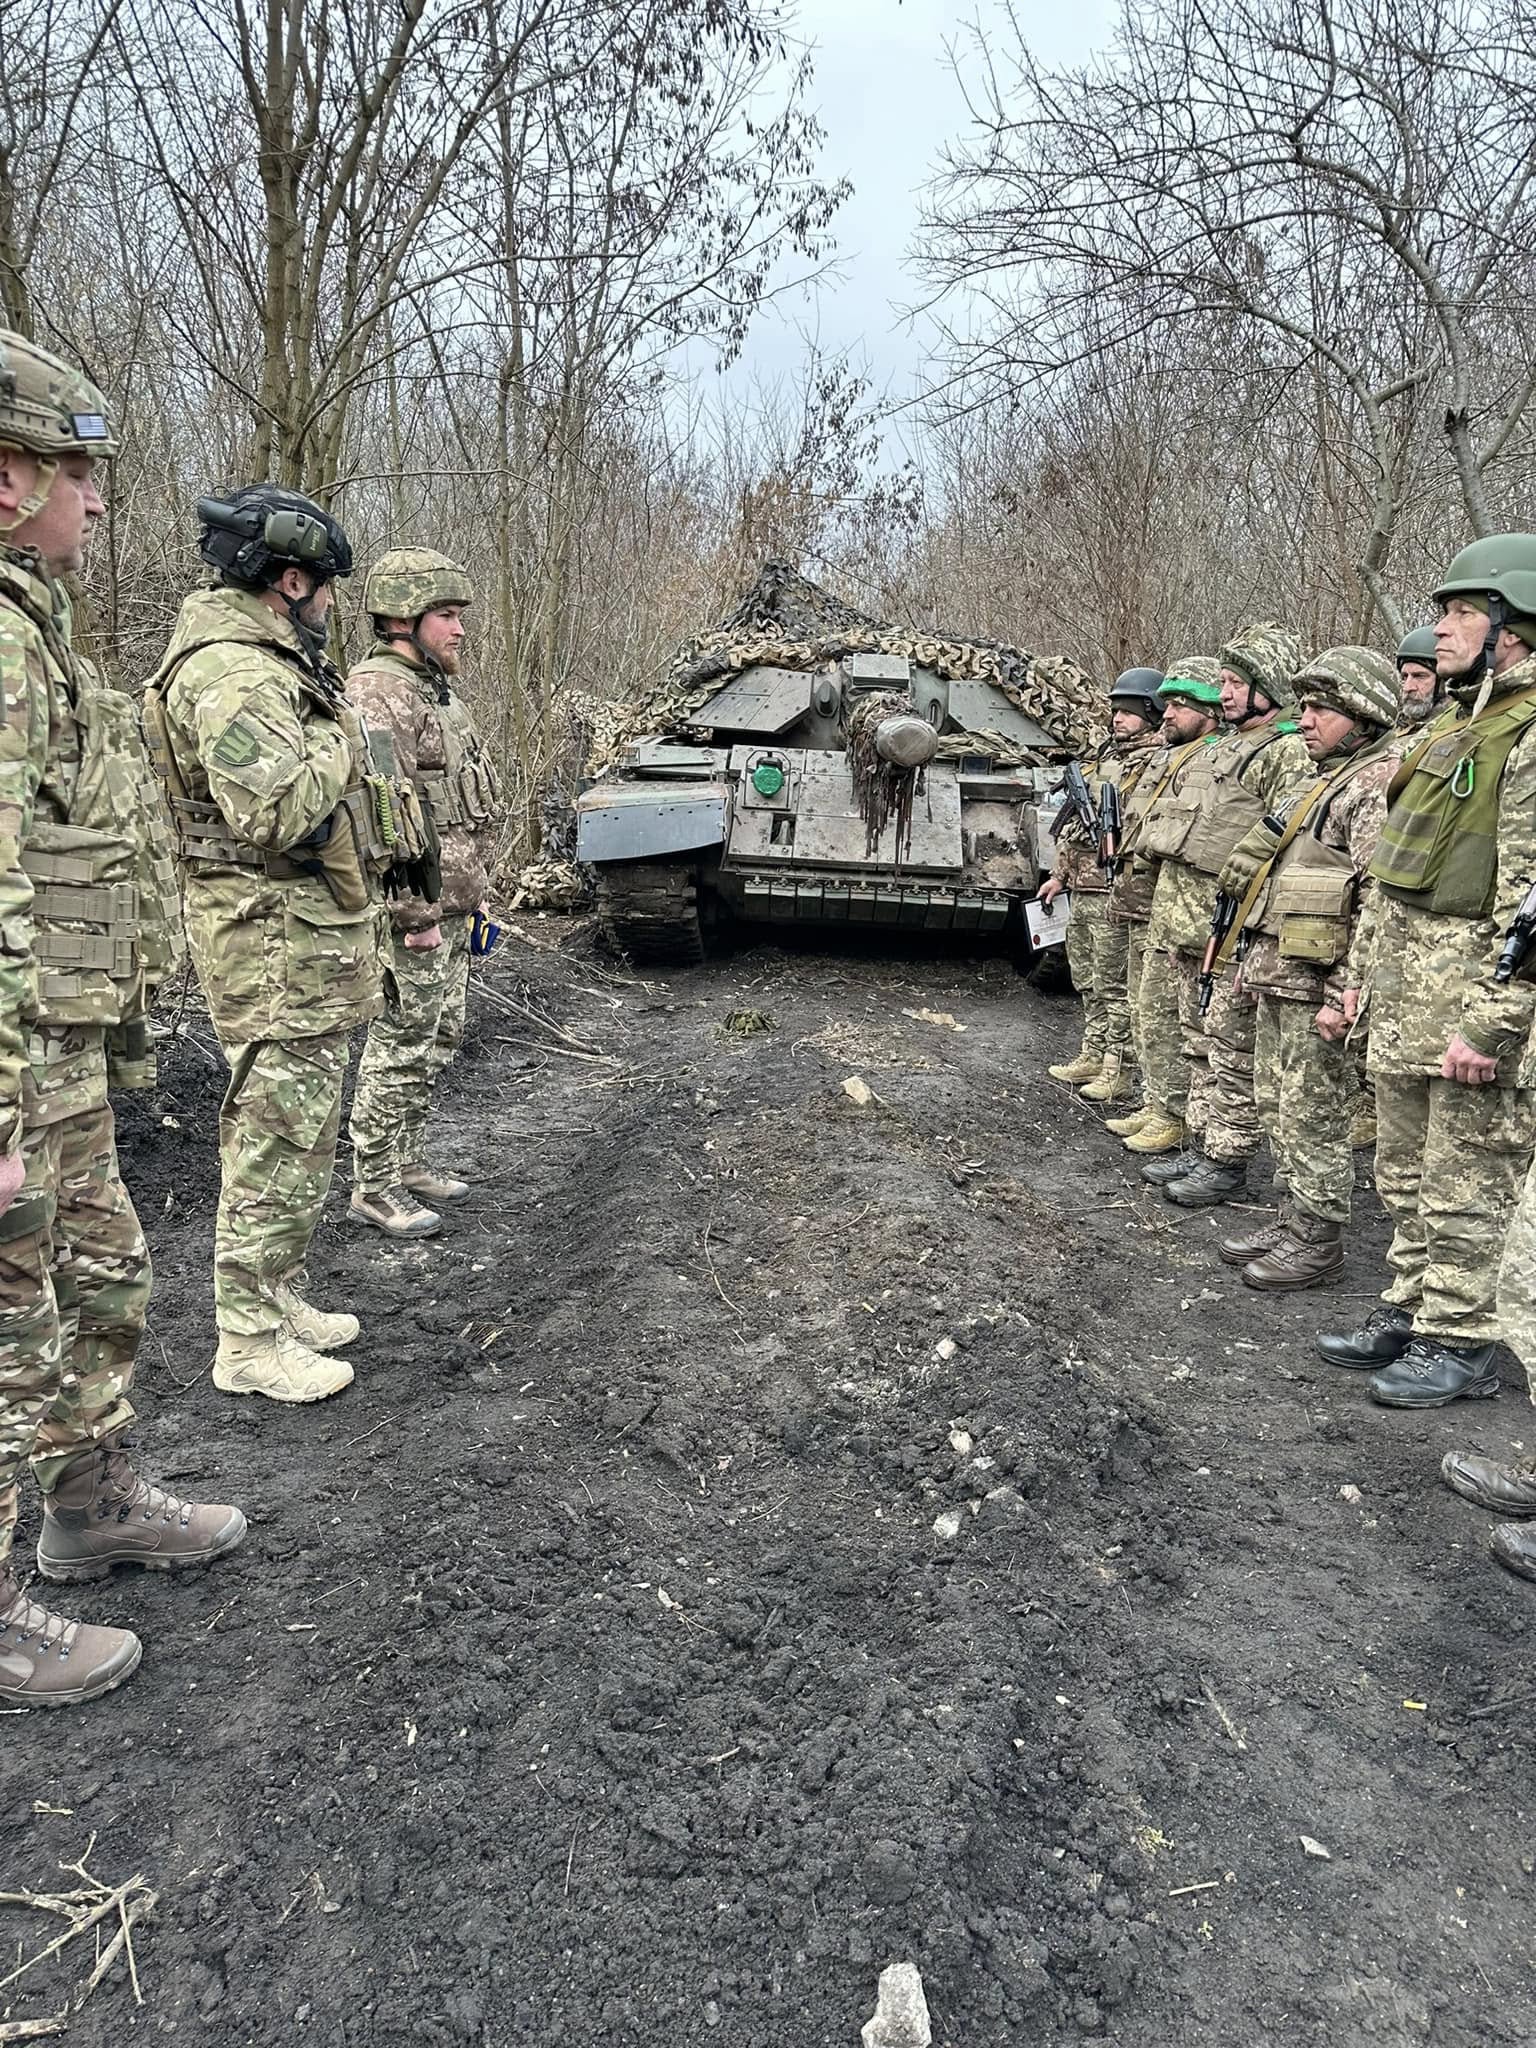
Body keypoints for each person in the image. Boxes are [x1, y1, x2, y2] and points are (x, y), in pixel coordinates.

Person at [0, 327, 245, 1707]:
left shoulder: (34, 631)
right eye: (75, 473)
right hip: (11, 1066)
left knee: (99, 1275)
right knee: (8, 1321)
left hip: (57, 1051)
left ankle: (90, 1505)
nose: (97, 500)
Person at [144, 486, 411, 1405]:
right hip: (267, 940)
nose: (334, 606)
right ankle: (246, 1340)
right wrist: (345, 734)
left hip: (301, 938)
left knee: (301, 1132)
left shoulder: (266, 661)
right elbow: (278, 809)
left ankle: (277, 1295)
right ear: (289, 581)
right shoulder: (234, 672)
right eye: (327, 587)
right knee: (272, 1136)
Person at [1319, 535, 1536, 1408]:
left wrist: (1496, 1017)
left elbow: (1532, 895)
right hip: (1408, 996)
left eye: (1461, 615)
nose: (1439, 632)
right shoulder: (1452, 727)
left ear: (1514, 630)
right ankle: (1413, 1309)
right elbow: (1392, 883)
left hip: (1474, 1005)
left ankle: (1463, 1340)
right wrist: (1359, 985)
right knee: (1404, 1173)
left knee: (1465, 1183)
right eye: (1442, 614)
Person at [1214, 648, 1403, 1289]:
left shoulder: (1375, 784)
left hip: (1319, 983)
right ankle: (1292, 1215)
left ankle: (1319, 1237)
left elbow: (1379, 898)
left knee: (1315, 1111)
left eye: (1323, 708)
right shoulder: (1320, 779)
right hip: (1280, 971)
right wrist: (1249, 959)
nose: (1307, 719)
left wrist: (1347, 991)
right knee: (1276, 1100)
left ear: (1363, 716)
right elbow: (1275, 882)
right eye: (1307, 705)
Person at [346, 550, 502, 1236]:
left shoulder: (433, 688)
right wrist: (414, 913)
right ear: (402, 619)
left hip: (454, 905)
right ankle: (373, 1183)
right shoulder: (379, 691)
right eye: (446, 615)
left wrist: (476, 897)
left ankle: (406, 1162)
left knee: (439, 1036)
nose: (460, 629)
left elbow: (455, 807)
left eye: (460, 615)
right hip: (418, 913)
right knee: (402, 1043)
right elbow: (386, 813)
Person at [1143, 628, 1312, 1200]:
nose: (1226, 693)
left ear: (1267, 688)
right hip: (1188, 924)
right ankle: (1198, 1141)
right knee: (1196, 1039)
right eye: (1224, 682)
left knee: (1232, 1049)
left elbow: (1288, 843)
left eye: (1238, 683)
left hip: (1232, 928)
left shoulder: (1286, 751)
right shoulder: (1227, 746)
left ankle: (1227, 1159)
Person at [1115, 661, 1224, 1156]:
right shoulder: (1175, 757)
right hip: (1162, 909)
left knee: (1185, 1028)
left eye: (1179, 704)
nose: (1167, 712)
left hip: (1197, 919)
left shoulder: (1218, 756)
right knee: (1150, 1013)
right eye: (1168, 702)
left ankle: (1177, 1116)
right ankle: (1159, 1104)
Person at [1043, 667, 1164, 1107]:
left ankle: (1119, 1067)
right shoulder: (1104, 756)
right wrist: (1058, 875)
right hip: (1083, 883)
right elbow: (1072, 827)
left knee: (1115, 984)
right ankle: (1093, 1053)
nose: (1118, 719)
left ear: (1152, 713)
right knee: (1088, 978)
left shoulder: (1156, 761)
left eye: (1129, 712)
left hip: (1115, 889)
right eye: (1115, 711)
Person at [1395, 626, 1442, 727]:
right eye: (1404, 677)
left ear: (1442, 682)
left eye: (1419, 676)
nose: (1408, 688)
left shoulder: (1459, 732)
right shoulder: (1398, 727)